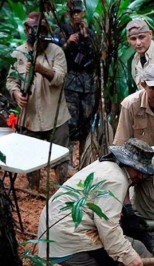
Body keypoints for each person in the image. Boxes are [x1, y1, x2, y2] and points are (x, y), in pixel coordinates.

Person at [37, 138, 154, 266]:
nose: (141, 177)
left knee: (114, 249)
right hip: (67, 240)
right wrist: (129, 256)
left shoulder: (106, 165)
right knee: (138, 250)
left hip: (55, 233)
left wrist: (128, 211)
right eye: (139, 171)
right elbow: (109, 228)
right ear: (127, 164)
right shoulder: (116, 180)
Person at [6, 12, 70, 191]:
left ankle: (61, 190)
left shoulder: (56, 51)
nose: (39, 35)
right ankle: (34, 190)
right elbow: (11, 81)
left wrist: (40, 69)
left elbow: (59, 78)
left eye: (42, 30)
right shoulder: (19, 53)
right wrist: (17, 94)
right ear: (27, 30)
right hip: (31, 116)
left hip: (56, 115)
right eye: (34, 30)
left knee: (61, 156)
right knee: (29, 155)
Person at [54, 0, 97, 166]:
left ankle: (85, 162)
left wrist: (86, 37)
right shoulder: (62, 30)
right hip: (71, 82)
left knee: (86, 123)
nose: (77, 16)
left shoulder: (89, 32)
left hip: (87, 83)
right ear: (68, 14)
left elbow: (96, 55)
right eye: (73, 13)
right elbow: (55, 54)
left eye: (79, 12)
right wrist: (67, 43)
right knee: (71, 123)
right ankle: (69, 162)